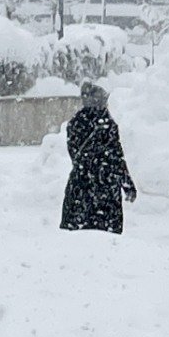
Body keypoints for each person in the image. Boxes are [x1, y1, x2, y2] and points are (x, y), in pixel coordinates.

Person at [60, 82, 137, 234]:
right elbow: (116, 156)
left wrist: (126, 183)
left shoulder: (80, 123)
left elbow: (78, 156)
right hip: (102, 187)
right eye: (103, 100)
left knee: (79, 235)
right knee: (106, 236)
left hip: (84, 187)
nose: (105, 103)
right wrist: (125, 182)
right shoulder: (103, 123)